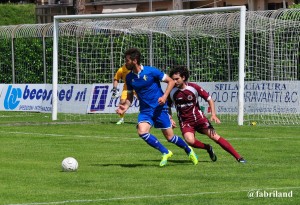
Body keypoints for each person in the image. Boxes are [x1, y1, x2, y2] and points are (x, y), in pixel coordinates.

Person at [116, 48, 198, 167]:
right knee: (142, 131)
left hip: (159, 108)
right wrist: (125, 107)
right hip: (145, 110)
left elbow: (170, 81)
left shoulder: (151, 71)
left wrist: (164, 97)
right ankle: (165, 152)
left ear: (134, 60)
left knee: (170, 137)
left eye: (127, 60)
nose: (125, 63)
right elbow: (130, 97)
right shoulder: (129, 78)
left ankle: (189, 150)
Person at [168, 66, 246, 163]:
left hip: (200, 119)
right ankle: (208, 148)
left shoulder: (193, 87)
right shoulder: (171, 92)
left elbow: (209, 99)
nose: (175, 81)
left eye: (177, 79)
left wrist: (213, 114)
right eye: (173, 79)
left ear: (183, 77)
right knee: (190, 141)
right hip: (185, 122)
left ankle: (239, 157)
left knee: (215, 136)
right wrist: (170, 118)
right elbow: (167, 106)